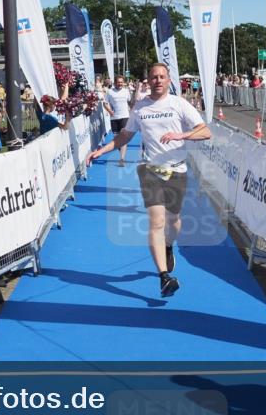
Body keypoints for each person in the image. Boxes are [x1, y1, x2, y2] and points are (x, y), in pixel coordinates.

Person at [86, 63, 211, 298]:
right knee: (156, 220)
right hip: (150, 169)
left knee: (173, 221)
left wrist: (181, 134)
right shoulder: (140, 108)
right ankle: (164, 277)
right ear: (148, 80)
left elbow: (205, 131)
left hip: (177, 170)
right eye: (154, 77)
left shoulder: (179, 104)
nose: (158, 81)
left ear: (168, 79)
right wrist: (101, 151)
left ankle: (167, 246)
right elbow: (125, 136)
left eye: (162, 77)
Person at [103, 76, 134, 166]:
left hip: (124, 116)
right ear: (115, 83)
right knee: (117, 139)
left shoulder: (126, 91)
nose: (120, 84)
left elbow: (130, 102)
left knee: (123, 137)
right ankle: (122, 154)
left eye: (121, 82)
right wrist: (109, 111)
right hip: (114, 118)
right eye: (118, 82)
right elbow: (105, 103)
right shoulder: (110, 92)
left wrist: (133, 112)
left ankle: (122, 159)